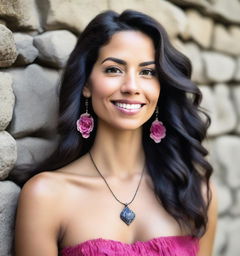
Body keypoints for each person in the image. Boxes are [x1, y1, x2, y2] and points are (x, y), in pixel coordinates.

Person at [12, 9, 217, 256]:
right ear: (86, 84)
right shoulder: (45, 196)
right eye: (114, 69)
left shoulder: (195, 191)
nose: (131, 86)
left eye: (147, 72)